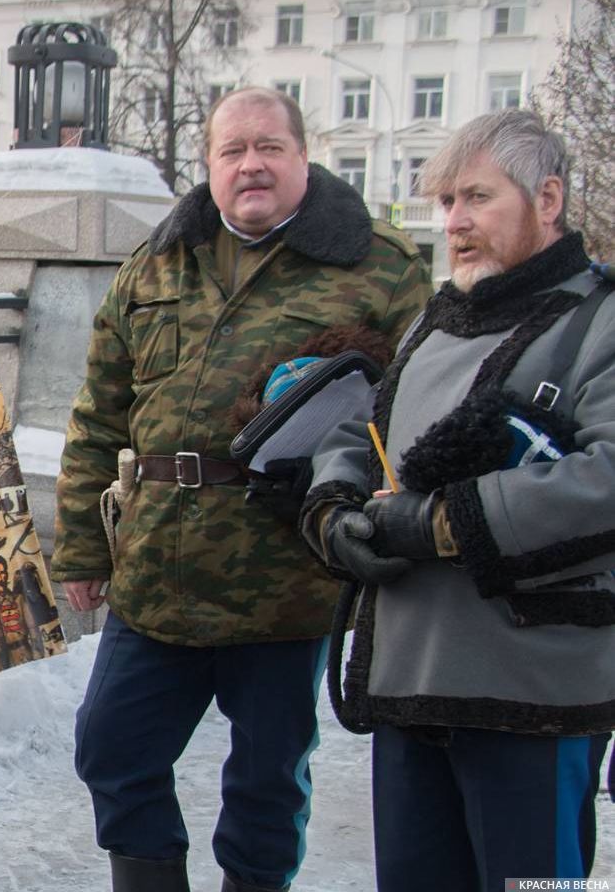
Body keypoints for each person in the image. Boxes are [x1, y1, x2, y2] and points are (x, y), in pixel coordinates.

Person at [51, 87, 430, 892]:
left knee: (266, 780)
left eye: (269, 147)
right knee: (111, 748)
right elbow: (97, 416)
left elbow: (415, 416)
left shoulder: (378, 265)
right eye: (232, 150)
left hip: (285, 574)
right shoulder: (157, 262)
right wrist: (83, 544)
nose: (250, 164)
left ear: (303, 155)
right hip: (159, 565)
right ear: (209, 164)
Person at [305, 109, 615, 889]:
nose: (455, 222)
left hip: (535, 692)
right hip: (413, 684)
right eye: (446, 203)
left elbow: (607, 479)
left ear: (547, 200)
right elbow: (367, 428)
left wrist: (443, 524)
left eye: (476, 198)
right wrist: (334, 506)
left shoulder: (601, 321)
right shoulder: (431, 324)